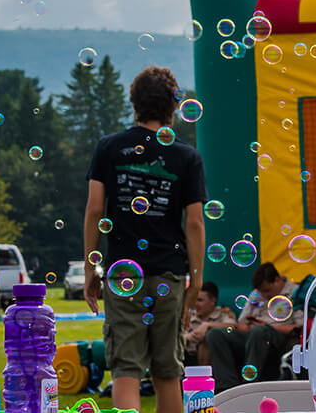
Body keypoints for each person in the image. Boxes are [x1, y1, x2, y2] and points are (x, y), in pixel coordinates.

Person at [83, 66, 207, 413]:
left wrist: (91, 267)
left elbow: (94, 210)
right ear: (173, 106)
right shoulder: (186, 156)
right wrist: (195, 280)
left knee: (126, 369)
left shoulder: (109, 148)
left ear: (134, 102)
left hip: (124, 274)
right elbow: (195, 223)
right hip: (169, 273)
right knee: (168, 372)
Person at [205, 263, 301, 392]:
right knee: (215, 334)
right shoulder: (257, 294)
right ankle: (226, 387)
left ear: (277, 280)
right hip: (254, 335)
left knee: (259, 331)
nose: (264, 295)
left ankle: (248, 385)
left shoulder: (295, 292)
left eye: (267, 291)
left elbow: (299, 327)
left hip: (278, 337)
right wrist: (249, 325)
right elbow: (241, 324)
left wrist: (265, 326)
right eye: (261, 291)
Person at [184, 281, 236, 365]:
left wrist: (207, 325)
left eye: (200, 300)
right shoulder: (189, 316)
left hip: (215, 361)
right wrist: (188, 337)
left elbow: (233, 326)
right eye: (195, 300)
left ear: (212, 301)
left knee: (207, 339)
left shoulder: (223, 313)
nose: (195, 304)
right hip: (187, 358)